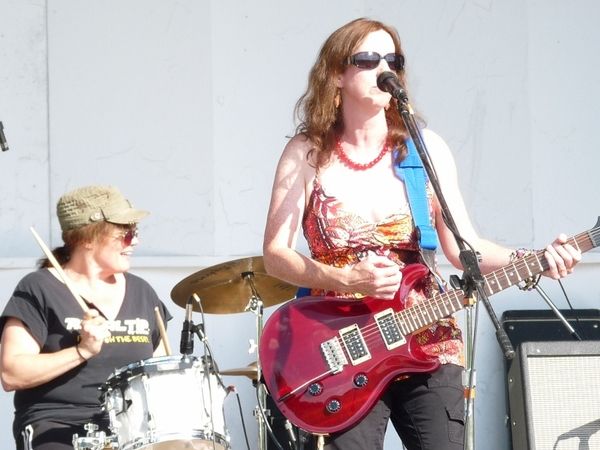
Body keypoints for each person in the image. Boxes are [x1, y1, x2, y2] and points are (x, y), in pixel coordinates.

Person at [262, 17, 581, 450]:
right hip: (343, 349)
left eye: (392, 60)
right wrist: (345, 278)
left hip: (427, 337)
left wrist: (537, 260)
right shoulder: (307, 152)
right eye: (368, 59)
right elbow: (275, 255)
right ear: (336, 73)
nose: (384, 69)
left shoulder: (423, 149)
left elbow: (465, 249)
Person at [0, 185, 172, 450]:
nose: (134, 241)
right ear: (87, 239)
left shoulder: (142, 292)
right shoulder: (38, 288)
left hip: (132, 430)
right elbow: (12, 373)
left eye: (135, 232)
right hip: (57, 426)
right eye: (125, 233)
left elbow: (161, 371)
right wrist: (82, 351)